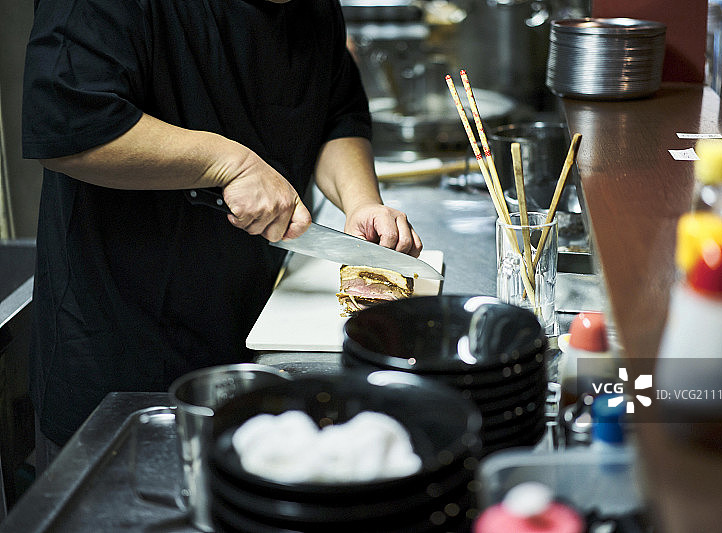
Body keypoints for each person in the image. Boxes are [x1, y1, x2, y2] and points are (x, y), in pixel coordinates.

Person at [21, 0, 422, 472]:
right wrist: (227, 162)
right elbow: (70, 124)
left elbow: (336, 113)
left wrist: (360, 203)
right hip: (124, 359)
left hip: (259, 333)